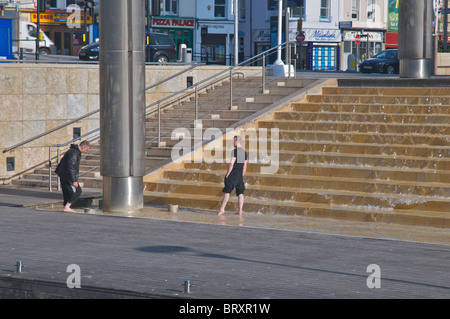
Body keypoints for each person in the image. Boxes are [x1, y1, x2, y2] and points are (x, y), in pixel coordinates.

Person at [55, 141, 90, 212]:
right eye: (86, 150)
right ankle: (67, 207)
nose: (86, 151)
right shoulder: (74, 153)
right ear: (83, 147)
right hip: (68, 176)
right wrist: (74, 180)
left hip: (64, 174)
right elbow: (71, 166)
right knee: (77, 191)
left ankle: (66, 206)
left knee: (67, 191)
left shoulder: (73, 151)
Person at [218, 136, 247, 216]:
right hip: (240, 174)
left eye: (233, 141)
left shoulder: (235, 151)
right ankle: (240, 211)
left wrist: (227, 174)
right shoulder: (244, 152)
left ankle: (221, 209)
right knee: (240, 192)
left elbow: (231, 163)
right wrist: (242, 175)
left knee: (227, 192)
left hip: (233, 173)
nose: (233, 143)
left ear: (235, 140)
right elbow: (245, 165)